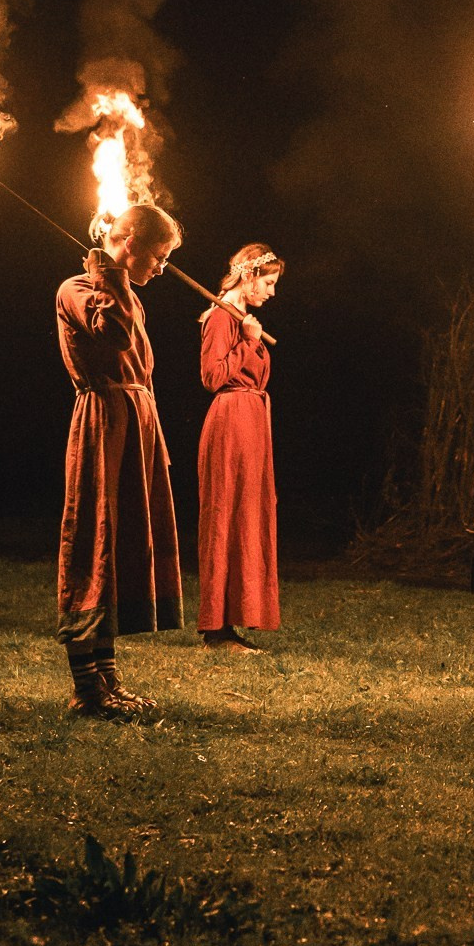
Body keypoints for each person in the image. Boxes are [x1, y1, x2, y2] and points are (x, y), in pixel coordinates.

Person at [55, 202, 184, 718]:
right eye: (158, 254)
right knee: (94, 541)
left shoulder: (121, 291)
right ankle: (86, 690)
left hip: (135, 425)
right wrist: (108, 275)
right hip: (103, 423)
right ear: (128, 241)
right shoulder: (78, 288)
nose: (161, 266)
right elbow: (114, 334)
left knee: (123, 544)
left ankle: (108, 680)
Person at [198, 244, 284, 651]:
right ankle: (215, 627)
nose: (271, 291)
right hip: (231, 420)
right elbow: (213, 376)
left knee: (247, 516)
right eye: (267, 282)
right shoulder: (220, 317)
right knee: (225, 515)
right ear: (248, 277)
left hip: (251, 421)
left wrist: (249, 337)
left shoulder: (241, 318)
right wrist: (249, 342)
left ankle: (233, 618)